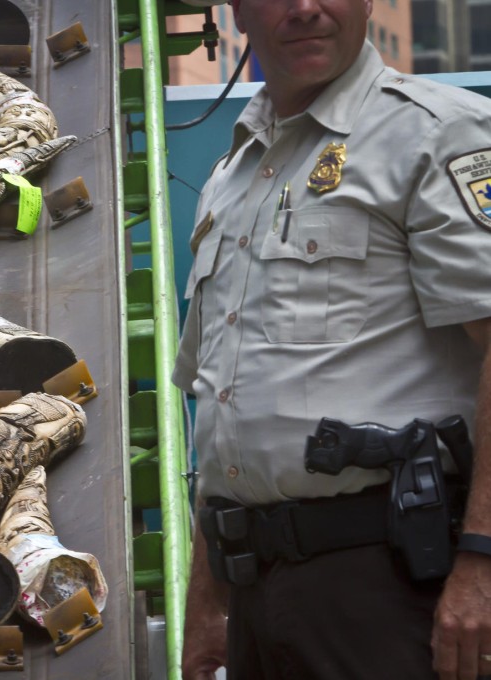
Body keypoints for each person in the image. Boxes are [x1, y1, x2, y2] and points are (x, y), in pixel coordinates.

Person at [173, 1, 491, 679]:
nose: (305, 8)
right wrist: (208, 601)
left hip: (387, 586)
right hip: (255, 592)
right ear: (237, 11)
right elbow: (222, 414)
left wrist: (482, 562)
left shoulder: (437, 133)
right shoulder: (232, 178)